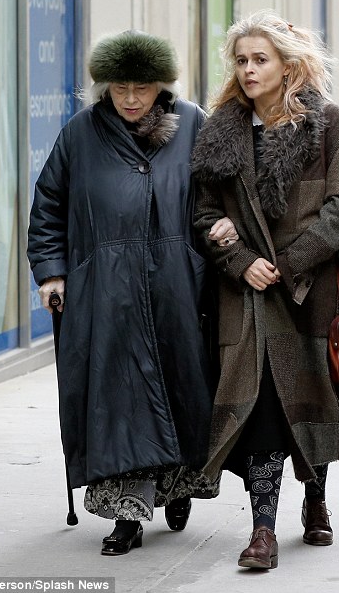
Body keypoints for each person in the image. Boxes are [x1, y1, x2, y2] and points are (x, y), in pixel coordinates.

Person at [28, 31, 232, 556]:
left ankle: (180, 487)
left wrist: (221, 238)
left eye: (142, 87)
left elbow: (220, 194)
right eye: (120, 88)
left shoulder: (191, 125)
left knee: (182, 390)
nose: (131, 98)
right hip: (105, 293)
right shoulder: (80, 133)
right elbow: (48, 202)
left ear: (161, 86)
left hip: (177, 289)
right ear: (105, 88)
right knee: (116, 400)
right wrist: (52, 272)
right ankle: (125, 515)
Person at [191, 10, 339, 571]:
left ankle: (315, 499)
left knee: (314, 402)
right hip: (246, 299)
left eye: (259, 59)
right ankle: (262, 530)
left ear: (288, 64)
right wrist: (238, 258)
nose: (248, 70)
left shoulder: (331, 125)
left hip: (313, 292)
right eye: (241, 60)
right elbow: (201, 213)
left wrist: (286, 262)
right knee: (264, 410)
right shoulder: (221, 131)